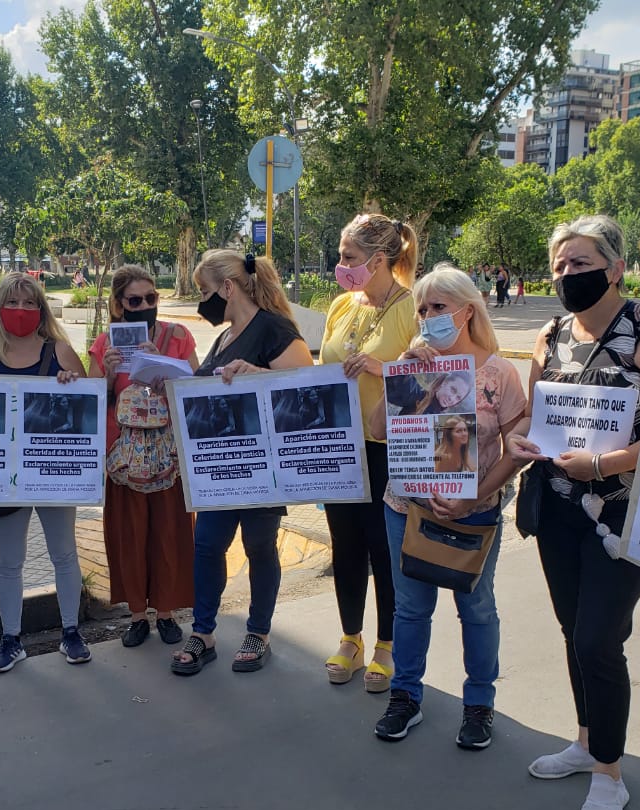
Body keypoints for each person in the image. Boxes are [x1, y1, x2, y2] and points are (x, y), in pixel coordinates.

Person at [506, 215, 640, 810]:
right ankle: (586, 741)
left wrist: (605, 463)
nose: (567, 274)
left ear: (615, 267)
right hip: (557, 507)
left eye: (580, 263)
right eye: (559, 265)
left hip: (625, 512)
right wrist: (511, 440)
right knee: (570, 628)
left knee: (597, 641)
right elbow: (533, 417)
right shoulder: (550, 333)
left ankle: (610, 773)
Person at [366, 266, 525, 748]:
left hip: (473, 512)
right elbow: (376, 428)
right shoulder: (414, 365)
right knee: (411, 609)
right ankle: (405, 696)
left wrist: (474, 496)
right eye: (422, 309)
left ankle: (479, 703)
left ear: (466, 311)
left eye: (438, 308)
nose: (428, 317)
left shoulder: (498, 373)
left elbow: (518, 445)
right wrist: (402, 374)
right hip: (408, 508)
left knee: (476, 608)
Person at [172, 251, 313, 676]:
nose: (202, 301)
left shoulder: (274, 328)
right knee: (208, 545)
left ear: (228, 288)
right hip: (220, 469)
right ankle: (204, 633)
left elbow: (305, 388)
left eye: (204, 292)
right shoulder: (225, 336)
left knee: (258, 546)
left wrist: (257, 373)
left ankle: (259, 632)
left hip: (261, 469)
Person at [0, 272, 91, 672]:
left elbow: (87, 409)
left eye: (29, 302)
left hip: (53, 471)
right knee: (9, 560)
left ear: (40, 308)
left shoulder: (60, 351)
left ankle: (71, 633)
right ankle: (10, 639)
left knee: (64, 553)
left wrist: (71, 384)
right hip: (4, 478)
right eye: (12, 302)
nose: (20, 310)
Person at [319, 213, 419, 688]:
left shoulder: (414, 308)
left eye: (349, 258)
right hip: (341, 446)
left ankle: (387, 644)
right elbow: (322, 372)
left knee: (384, 548)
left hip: (389, 448)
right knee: (346, 545)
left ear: (379, 260)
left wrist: (384, 371)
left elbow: (435, 382)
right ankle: (350, 638)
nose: (341, 266)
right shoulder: (341, 305)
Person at [89, 264, 198, 649]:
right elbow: (93, 401)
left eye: (152, 298)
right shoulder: (106, 344)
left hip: (167, 453)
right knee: (129, 535)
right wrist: (106, 372)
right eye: (135, 300)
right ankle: (137, 614)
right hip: (124, 456)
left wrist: (165, 367)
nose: (146, 306)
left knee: (169, 534)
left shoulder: (177, 336)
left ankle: (166, 612)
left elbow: (197, 389)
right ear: (119, 305)